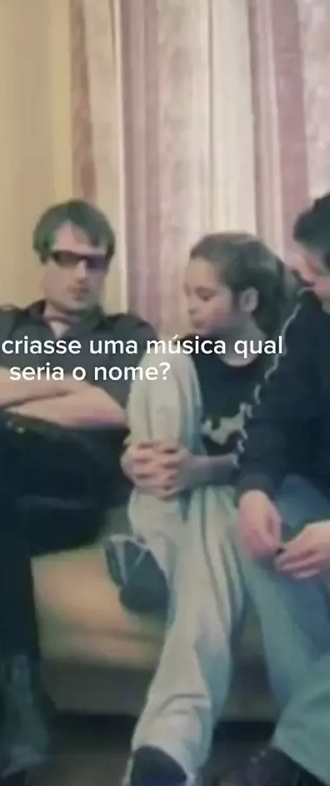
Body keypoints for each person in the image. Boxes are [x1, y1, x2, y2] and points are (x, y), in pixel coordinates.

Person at [0, 199, 156, 786]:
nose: (82, 274)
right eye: (67, 259)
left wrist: (10, 399)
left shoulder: (128, 333)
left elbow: (111, 406)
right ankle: (4, 718)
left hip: (67, 490)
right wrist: (65, 380)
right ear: (42, 261)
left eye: (95, 262)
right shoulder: (3, 324)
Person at [104, 233, 299, 786]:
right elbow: (146, 438)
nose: (190, 307)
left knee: (220, 500)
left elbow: (284, 461)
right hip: (171, 500)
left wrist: (205, 470)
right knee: (161, 358)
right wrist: (134, 460)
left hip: (236, 506)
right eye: (186, 294)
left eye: (205, 296)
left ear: (248, 300)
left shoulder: (285, 364)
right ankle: (158, 545)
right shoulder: (183, 357)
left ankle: (166, 748)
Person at [217, 197, 330, 786]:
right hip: (320, 493)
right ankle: (306, 757)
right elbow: (273, 416)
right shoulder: (312, 317)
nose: (307, 283)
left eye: (318, 272)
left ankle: (294, 763)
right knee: (268, 536)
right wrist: (255, 489)